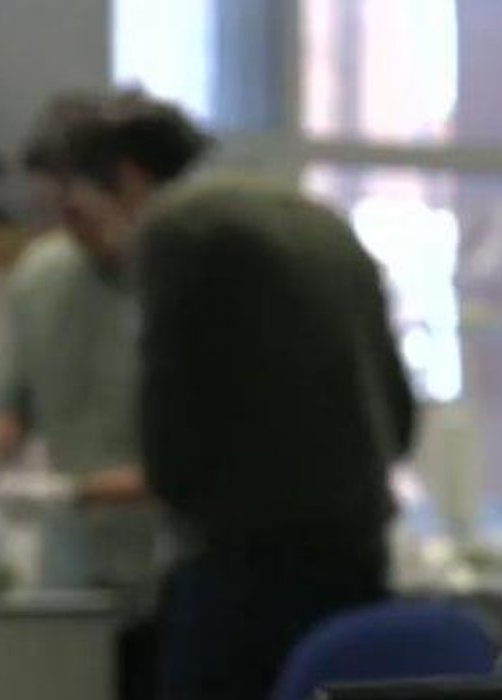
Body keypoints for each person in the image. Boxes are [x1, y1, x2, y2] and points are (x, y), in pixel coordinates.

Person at [64, 96, 418, 700]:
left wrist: (146, 486)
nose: (99, 241)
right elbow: (398, 409)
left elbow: (170, 425)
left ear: (125, 179)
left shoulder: (176, 228)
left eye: (89, 214)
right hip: (357, 555)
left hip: (247, 571)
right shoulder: (317, 219)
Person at [0, 93, 188, 699]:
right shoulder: (42, 274)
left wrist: (74, 491)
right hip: (68, 585)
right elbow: (14, 402)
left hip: (170, 582)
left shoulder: (187, 281)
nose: (70, 226)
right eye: (56, 211)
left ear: (128, 189)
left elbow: (207, 460)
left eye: (79, 209)